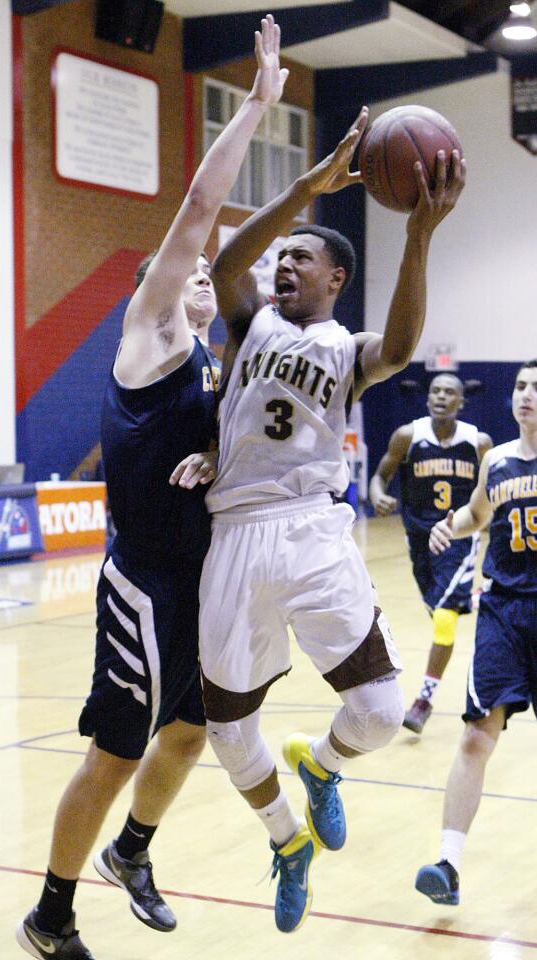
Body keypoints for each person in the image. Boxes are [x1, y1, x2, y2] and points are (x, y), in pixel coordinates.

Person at [17, 17, 288, 960]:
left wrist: (222, 458)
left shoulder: (215, 371)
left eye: (212, 275)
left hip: (203, 576)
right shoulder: (149, 336)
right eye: (190, 270)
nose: (204, 275)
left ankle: (130, 852)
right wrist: (256, 106)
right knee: (118, 750)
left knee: (193, 731)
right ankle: (49, 916)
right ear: (157, 290)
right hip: (144, 581)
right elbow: (200, 209)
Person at [198, 112, 465, 933]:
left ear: (334, 279)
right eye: (280, 257)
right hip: (235, 532)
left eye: (300, 258)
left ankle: (322, 766)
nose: (282, 266)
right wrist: (302, 192)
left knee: (382, 713)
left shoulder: (349, 350)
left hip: (315, 529)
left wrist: (418, 236)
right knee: (226, 730)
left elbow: (405, 342)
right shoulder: (251, 325)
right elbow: (225, 260)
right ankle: (286, 842)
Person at [414, 360, 537, 906]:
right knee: (474, 736)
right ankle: (448, 864)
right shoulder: (499, 460)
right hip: (504, 611)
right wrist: (451, 525)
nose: (526, 395)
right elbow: (477, 513)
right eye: (521, 386)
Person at [369, 375, 492, 733]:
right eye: (435, 390)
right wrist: (378, 495)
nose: (440, 396)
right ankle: (473, 596)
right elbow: (380, 475)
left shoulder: (478, 443)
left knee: (444, 618)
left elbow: (492, 491)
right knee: (438, 610)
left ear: (460, 402)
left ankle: (423, 699)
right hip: (419, 540)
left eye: (449, 392)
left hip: (458, 539)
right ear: (427, 400)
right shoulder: (408, 436)